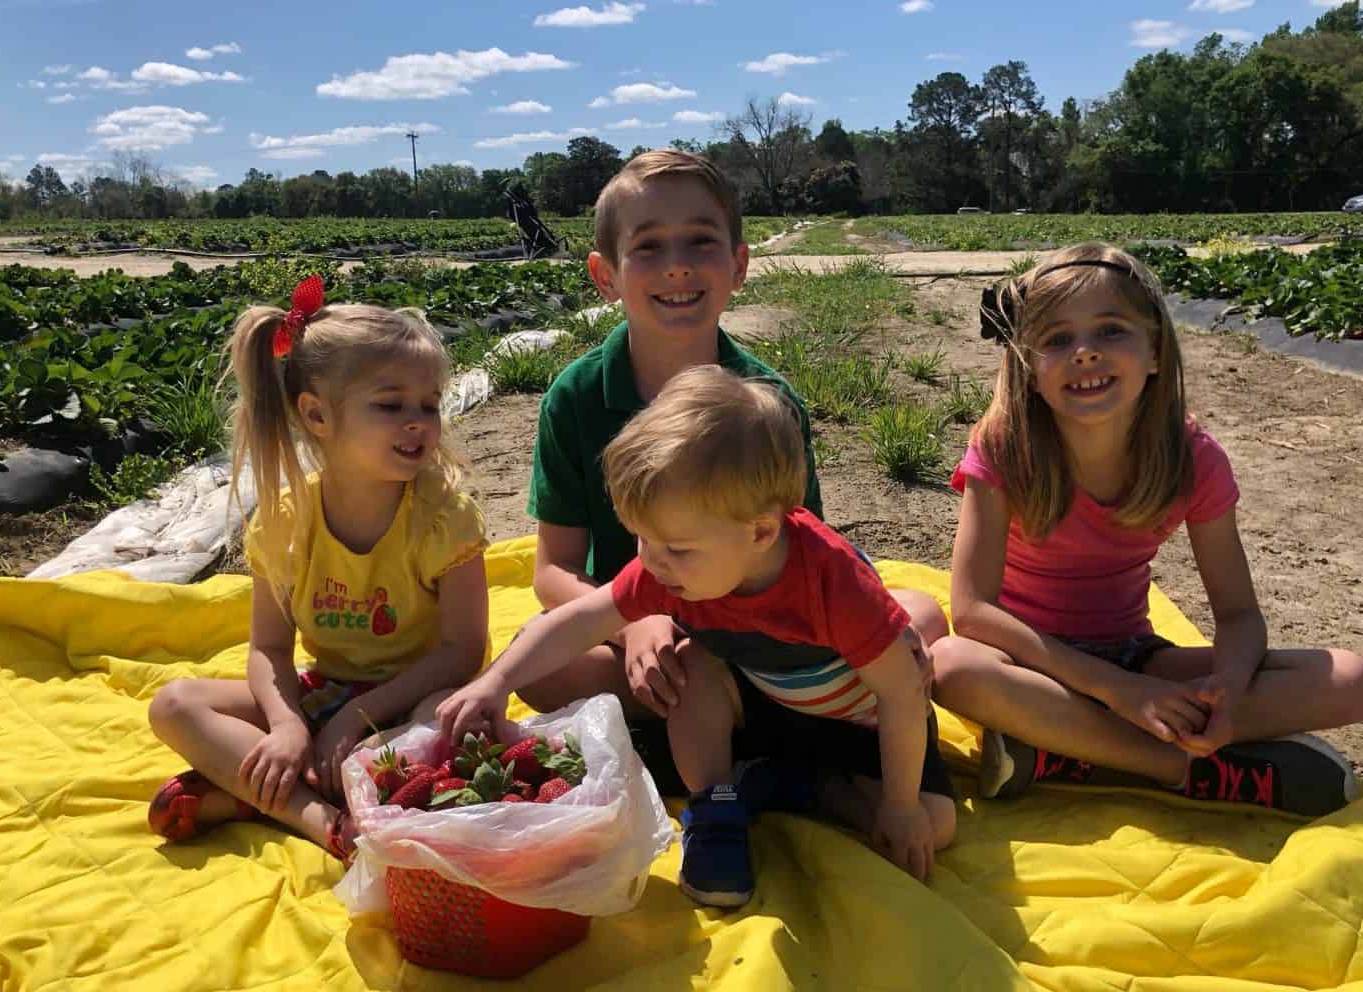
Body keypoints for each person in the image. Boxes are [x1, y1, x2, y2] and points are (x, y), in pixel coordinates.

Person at [437, 366, 956, 907]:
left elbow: (899, 694)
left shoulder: (834, 583)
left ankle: (800, 785)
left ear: (760, 532)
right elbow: (579, 620)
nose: (650, 561)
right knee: (696, 666)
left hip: (856, 719)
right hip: (760, 699)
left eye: (675, 548)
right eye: (640, 538)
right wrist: (495, 681)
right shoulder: (669, 565)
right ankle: (717, 798)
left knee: (932, 823)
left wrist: (900, 807)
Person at [520, 148, 947, 799]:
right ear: (605, 276)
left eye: (700, 241)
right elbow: (553, 570)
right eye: (650, 247)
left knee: (920, 619)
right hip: (644, 627)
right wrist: (636, 623)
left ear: (739, 264)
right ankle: (766, 744)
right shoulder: (576, 399)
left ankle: (725, 736)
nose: (679, 264)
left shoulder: (766, 405)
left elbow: (805, 557)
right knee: (538, 659)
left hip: (758, 637)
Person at [930, 243, 1363, 816]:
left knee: (1351, 676)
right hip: (1031, 663)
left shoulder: (1193, 458)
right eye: (1057, 339)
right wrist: (1118, 693)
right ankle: (1180, 768)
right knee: (950, 666)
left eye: (1110, 331)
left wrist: (1226, 694)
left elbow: (1237, 615)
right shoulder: (1005, 447)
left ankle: (1067, 750)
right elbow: (974, 612)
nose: (1084, 353)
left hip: (1138, 656)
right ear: (1029, 368)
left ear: (1156, 351)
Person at [146, 277, 489, 860]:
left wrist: (357, 718)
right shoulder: (284, 520)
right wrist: (287, 726)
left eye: (429, 405)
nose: (418, 421)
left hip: (414, 700)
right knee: (174, 704)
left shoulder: (444, 518)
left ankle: (258, 792)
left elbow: (461, 652)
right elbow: (268, 652)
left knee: (447, 727)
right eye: (390, 404)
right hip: (325, 695)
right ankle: (324, 816)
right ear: (317, 416)